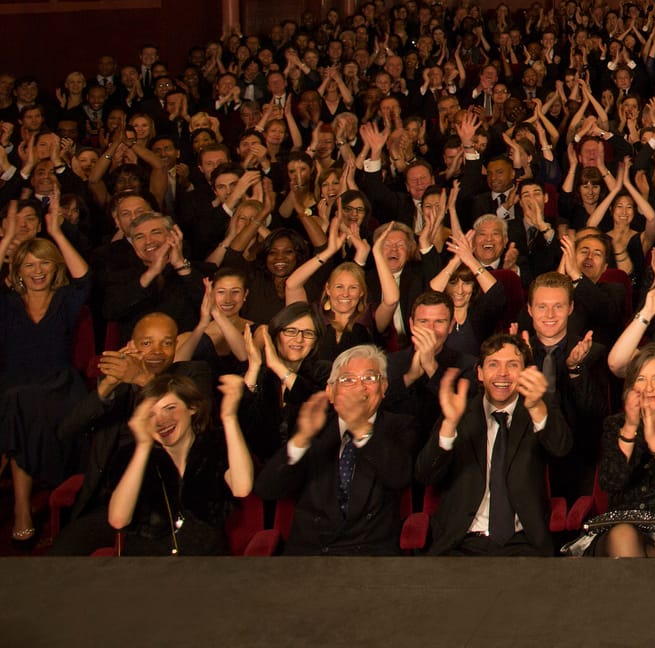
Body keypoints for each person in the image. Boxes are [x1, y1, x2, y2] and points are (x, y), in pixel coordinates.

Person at [252, 344, 418, 555]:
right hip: (310, 555)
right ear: (330, 392)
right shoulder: (313, 426)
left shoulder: (401, 426)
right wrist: (301, 439)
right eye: (348, 380)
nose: (360, 388)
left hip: (370, 557)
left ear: (384, 387)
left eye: (369, 379)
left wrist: (359, 425)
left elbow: (399, 475)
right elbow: (268, 489)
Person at [415, 332, 573, 555]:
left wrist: (537, 408)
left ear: (526, 373)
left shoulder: (539, 407)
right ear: (479, 373)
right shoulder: (459, 411)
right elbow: (425, 475)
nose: (502, 374)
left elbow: (561, 450)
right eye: (493, 365)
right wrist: (450, 425)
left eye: (512, 365)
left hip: (524, 543)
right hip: (462, 542)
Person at [0, 213, 92, 543]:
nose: (38, 271)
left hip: (59, 384)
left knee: (17, 404)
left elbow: (84, 278)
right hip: (13, 383)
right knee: (15, 402)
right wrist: (8, 236)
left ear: (55, 267)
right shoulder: (8, 304)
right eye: (29, 265)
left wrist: (55, 231)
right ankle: (23, 507)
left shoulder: (65, 300)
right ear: (18, 272)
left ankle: (24, 507)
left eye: (44, 264)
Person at [569, 343, 655, 558]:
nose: (649, 388)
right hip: (618, 527)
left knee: (644, 560)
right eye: (641, 379)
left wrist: (654, 441)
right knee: (624, 535)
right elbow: (611, 481)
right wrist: (631, 429)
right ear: (631, 387)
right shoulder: (615, 426)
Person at [104, 372, 256, 555]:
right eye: (152, 414)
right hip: (147, 567)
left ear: (192, 407)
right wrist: (143, 447)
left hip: (208, 564)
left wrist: (230, 417)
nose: (161, 420)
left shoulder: (217, 444)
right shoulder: (131, 455)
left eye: (170, 408)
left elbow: (242, 487)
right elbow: (118, 520)